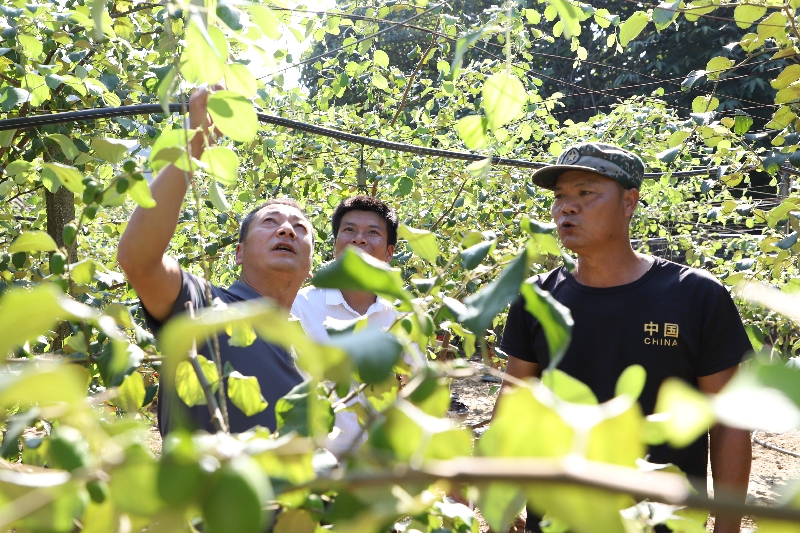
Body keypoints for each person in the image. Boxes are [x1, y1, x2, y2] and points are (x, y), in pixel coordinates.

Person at [497, 142, 752, 533]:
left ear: (629, 202)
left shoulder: (695, 295)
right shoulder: (538, 299)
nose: (566, 207)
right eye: (560, 197)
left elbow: (729, 422)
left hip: (663, 521)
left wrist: (728, 527)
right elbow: (514, 404)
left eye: (585, 193)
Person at [118, 88, 310, 435]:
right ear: (238, 253)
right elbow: (138, 259)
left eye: (300, 227)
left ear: (310, 265)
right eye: (270, 222)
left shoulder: (306, 349)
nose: (287, 229)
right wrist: (194, 145)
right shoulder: (205, 304)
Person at [291, 195, 401, 458]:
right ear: (335, 245)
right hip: (313, 469)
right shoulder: (299, 307)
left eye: (372, 232)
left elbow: (415, 391)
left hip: (378, 469)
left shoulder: (399, 317)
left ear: (389, 252)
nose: (359, 239)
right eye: (349, 230)